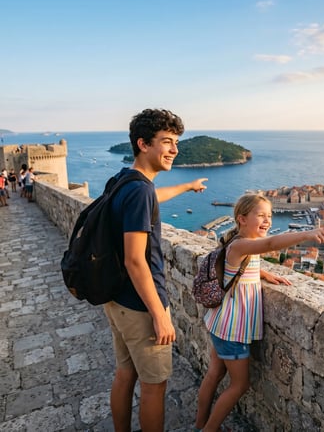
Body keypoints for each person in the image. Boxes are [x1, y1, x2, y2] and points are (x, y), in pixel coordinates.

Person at [103, 108, 208, 432]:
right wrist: (160, 314)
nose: (174, 149)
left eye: (176, 142)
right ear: (143, 143)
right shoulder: (140, 189)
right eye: (167, 141)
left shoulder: (124, 180)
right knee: (154, 386)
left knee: (125, 374)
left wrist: (187, 186)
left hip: (117, 299)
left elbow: (152, 198)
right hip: (140, 307)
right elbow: (135, 260)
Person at [194, 193, 324, 432]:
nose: (267, 220)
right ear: (242, 219)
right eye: (261, 215)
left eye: (270, 215)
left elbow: (237, 270)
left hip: (220, 322)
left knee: (214, 374)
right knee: (240, 384)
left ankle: (200, 425)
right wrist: (307, 234)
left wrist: (264, 274)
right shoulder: (241, 244)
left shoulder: (239, 243)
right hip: (232, 330)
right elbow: (270, 244)